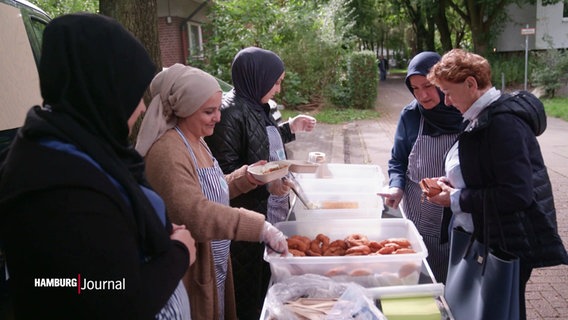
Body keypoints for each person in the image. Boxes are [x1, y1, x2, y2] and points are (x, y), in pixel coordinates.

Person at [0, 13, 197, 319]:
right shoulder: (57, 187)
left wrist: (155, 231)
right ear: (104, 91)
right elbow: (104, 294)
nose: (143, 106)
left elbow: (107, 229)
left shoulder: (86, 143)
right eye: (133, 93)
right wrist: (178, 254)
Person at [135, 63, 289, 320]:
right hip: (193, 272)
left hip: (215, 261)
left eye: (217, 109)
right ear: (184, 109)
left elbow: (211, 190)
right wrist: (260, 228)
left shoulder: (197, 140)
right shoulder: (168, 152)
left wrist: (245, 177)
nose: (218, 117)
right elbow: (195, 212)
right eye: (209, 111)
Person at [426, 48, 568, 320]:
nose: (445, 101)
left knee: (502, 310)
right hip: (493, 233)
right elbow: (486, 168)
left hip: (506, 239)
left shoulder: (503, 124)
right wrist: (454, 180)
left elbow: (516, 194)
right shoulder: (481, 115)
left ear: (471, 84)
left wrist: (456, 198)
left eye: (448, 92)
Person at [204, 46, 316, 319]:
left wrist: (290, 128)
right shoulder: (229, 114)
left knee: (266, 282)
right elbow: (224, 177)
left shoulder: (259, 105)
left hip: (271, 208)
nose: (277, 89)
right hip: (247, 222)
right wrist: (267, 184)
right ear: (258, 78)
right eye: (275, 82)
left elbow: (264, 142)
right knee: (247, 293)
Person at [378, 51, 463, 283]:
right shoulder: (411, 116)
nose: (422, 95)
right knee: (419, 277)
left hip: (457, 215)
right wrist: (396, 186)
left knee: (453, 282)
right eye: (415, 88)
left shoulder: (464, 111)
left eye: (427, 85)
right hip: (419, 213)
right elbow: (397, 161)